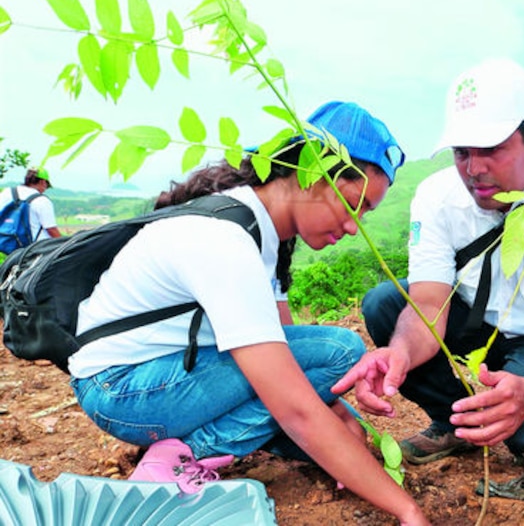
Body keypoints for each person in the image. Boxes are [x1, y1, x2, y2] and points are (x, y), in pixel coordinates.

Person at [68, 101, 429, 525]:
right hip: (123, 389)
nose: (354, 226)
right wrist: (406, 510)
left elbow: (291, 357)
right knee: (340, 350)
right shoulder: (226, 242)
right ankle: (180, 459)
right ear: (310, 173)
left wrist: (339, 420)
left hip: (151, 378)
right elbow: (293, 402)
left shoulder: (260, 230)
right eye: (353, 205)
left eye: (366, 213)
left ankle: (191, 444)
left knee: (329, 375)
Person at [333, 58, 524, 467]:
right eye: (462, 153)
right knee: (386, 303)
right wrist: (399, 353)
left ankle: (510, 408)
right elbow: (429, 305)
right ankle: (456, 423)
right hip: (477, 324)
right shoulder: (437, 196)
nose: (474, 170)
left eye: (491, 150)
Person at [0, 166, 62, 240]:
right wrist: (65, 244)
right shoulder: (42, 200)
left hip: (4, 243)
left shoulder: (6, 193)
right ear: (43, 182)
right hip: (34, 248)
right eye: (47, 186)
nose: (45, 189)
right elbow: (51, 229)